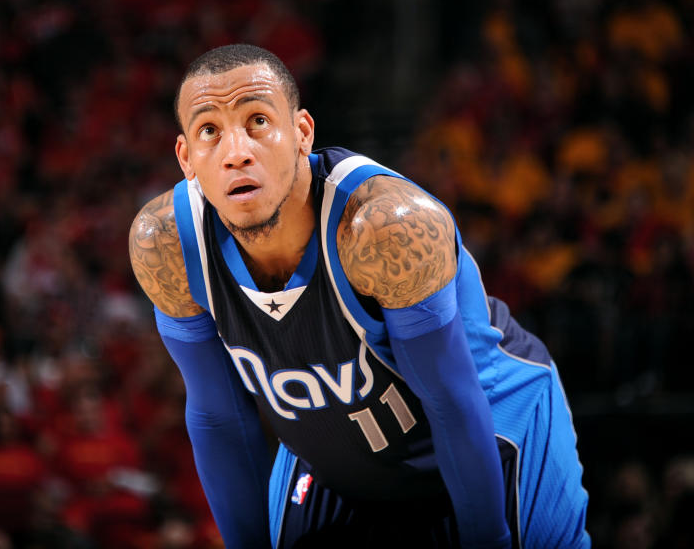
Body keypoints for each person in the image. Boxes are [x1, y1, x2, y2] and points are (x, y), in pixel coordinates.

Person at [128, 44, 590, 548]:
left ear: (303, 133)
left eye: (258, 121)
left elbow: (451, 401)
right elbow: (219, 418)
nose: (236, 151)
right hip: (338, 465)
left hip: (491, 432)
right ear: (186, 158)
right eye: (209, 131)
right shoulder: (167, 243)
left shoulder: (384, 227)